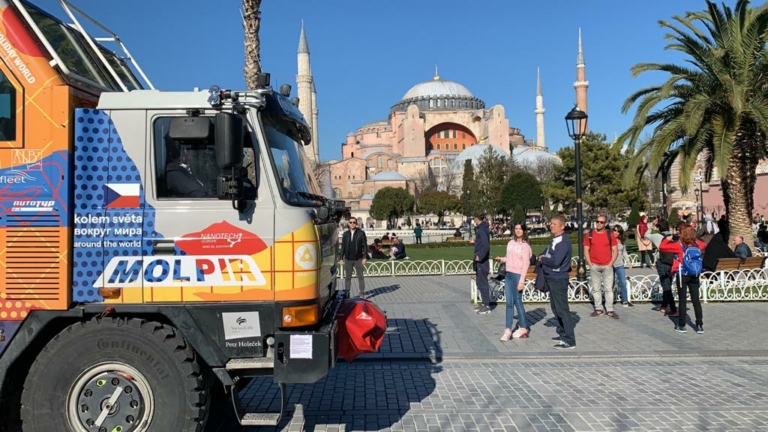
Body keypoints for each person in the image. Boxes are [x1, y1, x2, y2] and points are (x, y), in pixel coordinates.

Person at [660, 225, 707, 334]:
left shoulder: (678, 246)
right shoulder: (697, 245)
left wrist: (667, 239)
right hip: (695, 274)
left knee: (682, 300)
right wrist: (694, 238)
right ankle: (699, 325)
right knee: (696, 300)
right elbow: (704, 244)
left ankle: (682, 325)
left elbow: (662, 247)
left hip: (682, 274)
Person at [540, 215, 575, 349]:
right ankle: (562, 333)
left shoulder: (563, 243)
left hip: (559, 278)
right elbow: (549, 255)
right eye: (551, 223)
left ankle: (570, 339)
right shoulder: (555, 240)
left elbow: (555, 261)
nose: (551, 225)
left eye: (554, 224)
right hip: (552, 277)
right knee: (555, 308)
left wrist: (543, 259)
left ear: (562, 226)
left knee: (562, 309)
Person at [495, 223, 532, 341]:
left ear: (524, 231)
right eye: (516, 228)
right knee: (509, 303)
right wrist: (502, 259)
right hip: (509, 274)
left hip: (518, 275)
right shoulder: (510, 243)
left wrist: (522, 281)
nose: (518, 231)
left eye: (520, 229)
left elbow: (526, 264)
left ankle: (523, 328)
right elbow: (509, 258)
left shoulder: (525, 246)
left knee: (518, 302)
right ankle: (508, 329)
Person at [584, 214, 620, 319]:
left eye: (601, 222)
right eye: (597, 221)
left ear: (606, 223)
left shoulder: (610, 235)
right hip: (594, 265)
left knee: (608, 289)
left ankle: (609, 310)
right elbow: (586, 249)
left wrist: (610, 263)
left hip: (607, 265)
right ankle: (598, 309)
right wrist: (590, 264)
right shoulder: (590, 234)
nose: (599, 224)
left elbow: (615, 251)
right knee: (596, 289)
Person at [649, 219, 679, 317]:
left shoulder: (658, 236)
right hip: (673, 262)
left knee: (666, 287)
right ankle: (664, 305)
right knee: (668, 284)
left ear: (659, 227)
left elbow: (645, 234)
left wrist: (651, 225)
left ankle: (673, 309)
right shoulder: (673, 237)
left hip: (663, 263)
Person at [339, 217, 368, 297]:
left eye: (354, 222)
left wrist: (364, 257)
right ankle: (347, 293)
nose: (352, 224)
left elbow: (364, 246)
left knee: (360, 277)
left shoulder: (361, 233)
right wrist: (341, 258)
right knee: (347, 277)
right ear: (348, 223)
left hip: (358, 258)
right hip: (348, 259)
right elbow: (343, 246)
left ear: (356, 223)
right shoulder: (346, 234)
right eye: (351, 222)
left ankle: (362, 293)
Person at [469, 214, 491, 314]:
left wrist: (480, 256)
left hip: (482, 260)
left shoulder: (481, 230)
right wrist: (475, 242)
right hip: (480, 259)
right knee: (480, 282)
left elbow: (486, 246)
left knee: (483, 282)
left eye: (474, 219)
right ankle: (483, 303)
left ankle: (486, 305)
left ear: (477, 219)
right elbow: (482, 242)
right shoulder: (482, 229)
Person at [611, 225, 634, 308]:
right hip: (610, 265)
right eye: (615, 230)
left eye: (618, 231)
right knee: (611, 283)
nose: (616, 232)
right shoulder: (609, 240)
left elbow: (624, 252)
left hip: (619, 264)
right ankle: (609, 301)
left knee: (623, 283)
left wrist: (628, 262)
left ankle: (625, 300)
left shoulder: (622, 241)